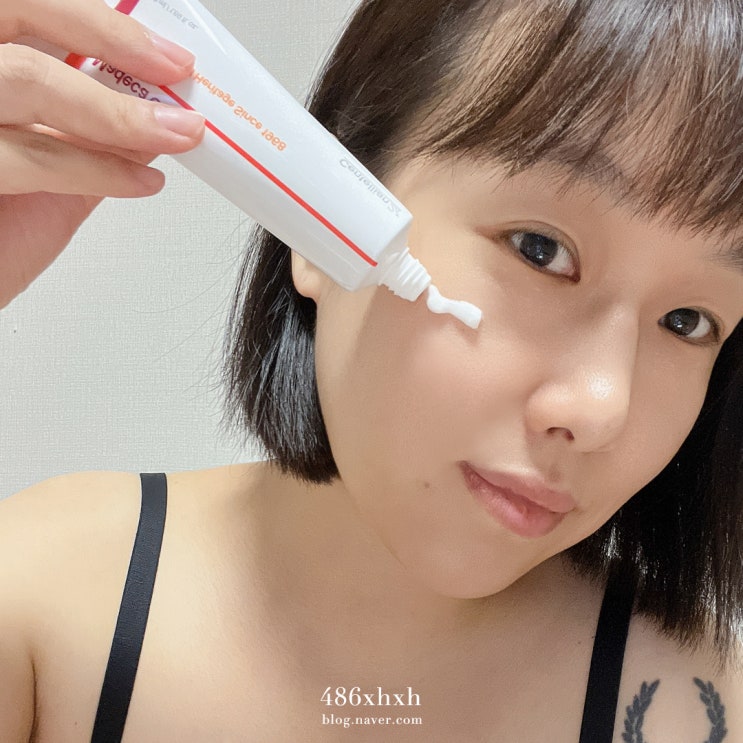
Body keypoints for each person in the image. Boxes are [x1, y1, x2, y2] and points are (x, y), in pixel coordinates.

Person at [1, 0, 741, 741]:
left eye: (688, 322)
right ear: (316, 218)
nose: (600, 407)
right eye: (538, 248)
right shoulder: (37, 607)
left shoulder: (698, 708)